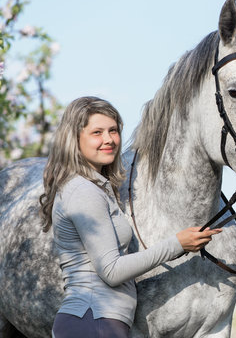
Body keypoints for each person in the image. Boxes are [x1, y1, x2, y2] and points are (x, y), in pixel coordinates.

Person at [39, 96, 221, 338]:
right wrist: (177, 244)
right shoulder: (83, 191)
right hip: (93, 321)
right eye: (97, 132)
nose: (108, 140)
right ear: (75, 140)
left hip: (98, 322)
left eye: (113, 130)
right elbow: (112, 271)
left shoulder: (96, 188)